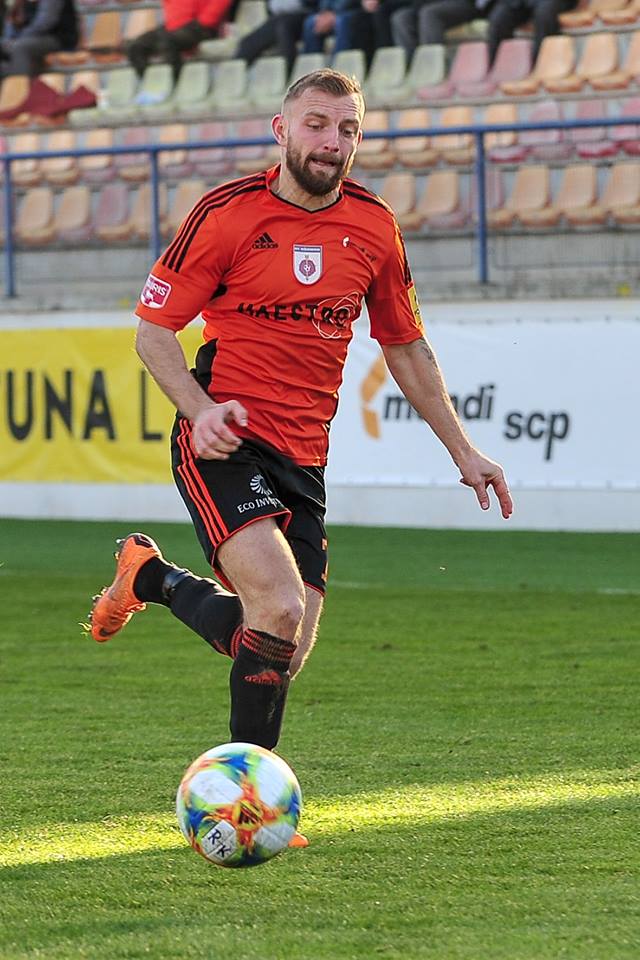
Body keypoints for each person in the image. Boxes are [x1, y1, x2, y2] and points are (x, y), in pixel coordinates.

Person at [87, 69, 513, 844]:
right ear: (281, 130)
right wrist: (200, 412)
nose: (332, 142)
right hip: (223, 436)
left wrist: (464, 448)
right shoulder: (226, 213)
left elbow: (405, 345)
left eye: (347, 128)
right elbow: (154, 332)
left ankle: (149, 578)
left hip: (304, 457)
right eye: (317, 124)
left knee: (277, 649)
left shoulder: (374, 226)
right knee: (278, 608)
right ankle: (246, 804)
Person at [125, 0, 232, 81]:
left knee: (167, 42)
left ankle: (177, 85)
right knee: (135, 47)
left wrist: (205, 22)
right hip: (173, 27)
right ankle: (151, 85)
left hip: (201, 26)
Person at [392, 0, 493, 63]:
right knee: (401, 17)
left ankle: (432, 63)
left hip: (462, 4)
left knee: (429, 14)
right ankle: (412, 64)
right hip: (425, 5)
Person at [236, 0, 319, 74]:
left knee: (283, 28)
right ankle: (233, 76)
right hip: (278, 18)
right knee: (247, 43)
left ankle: (289, 76)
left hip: (306, 15)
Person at [0, 0, 78, 77]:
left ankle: (19, 82)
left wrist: (17, 39)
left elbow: (44, 23)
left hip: (56, 38)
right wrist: (9, 40)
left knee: (20, 48)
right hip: (27, 38)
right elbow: (12, 21)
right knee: (6, 46)